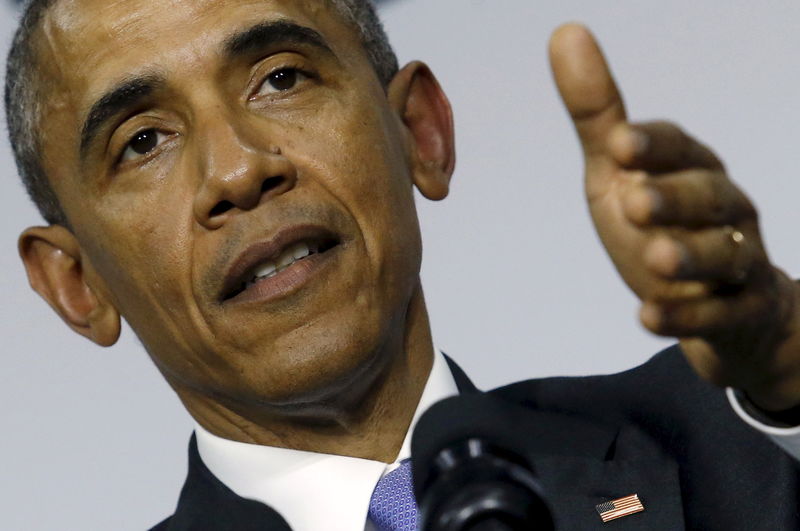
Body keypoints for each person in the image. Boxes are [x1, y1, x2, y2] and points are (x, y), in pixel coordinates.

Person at [5, 0, 800, 529]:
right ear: (78, 284)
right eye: (143, 140)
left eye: (280, 79)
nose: (239, 171)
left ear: (420, 133)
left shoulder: (735, 431)